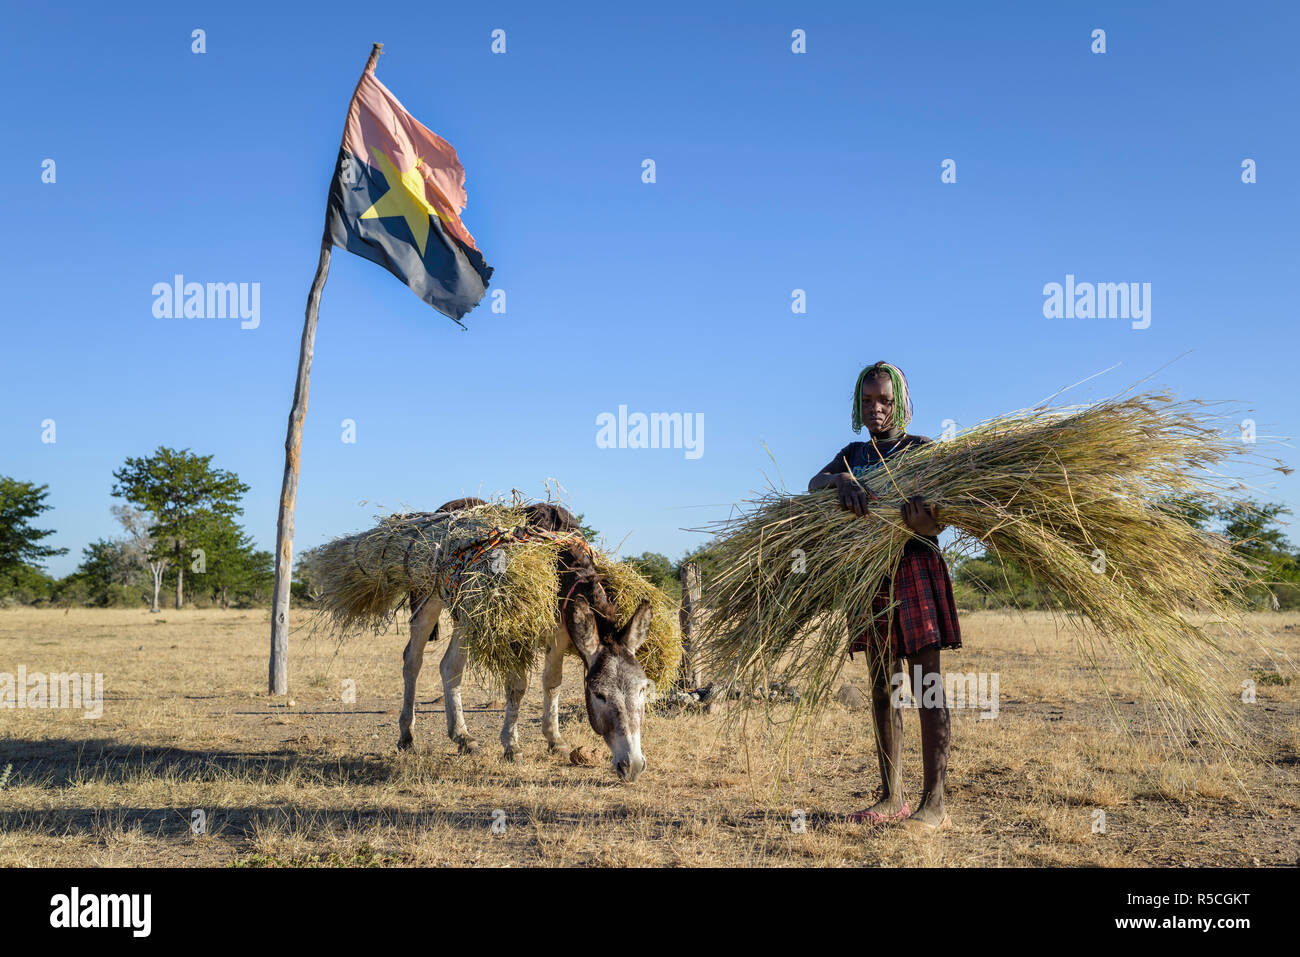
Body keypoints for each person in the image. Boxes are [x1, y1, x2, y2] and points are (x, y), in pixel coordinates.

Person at [807, 361, 961, 832]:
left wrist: (925, 523)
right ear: (858, 404)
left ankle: (933, 802)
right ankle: (891, 793)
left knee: (926, 687)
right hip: (870, 579)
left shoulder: (922, 450)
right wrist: (843, 481)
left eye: (886, 401)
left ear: (903, 405)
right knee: (882, 685)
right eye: (868, 401)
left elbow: (944, 514)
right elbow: (814, 485)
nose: (877, 409)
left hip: (914, 569)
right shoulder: (853, 454)